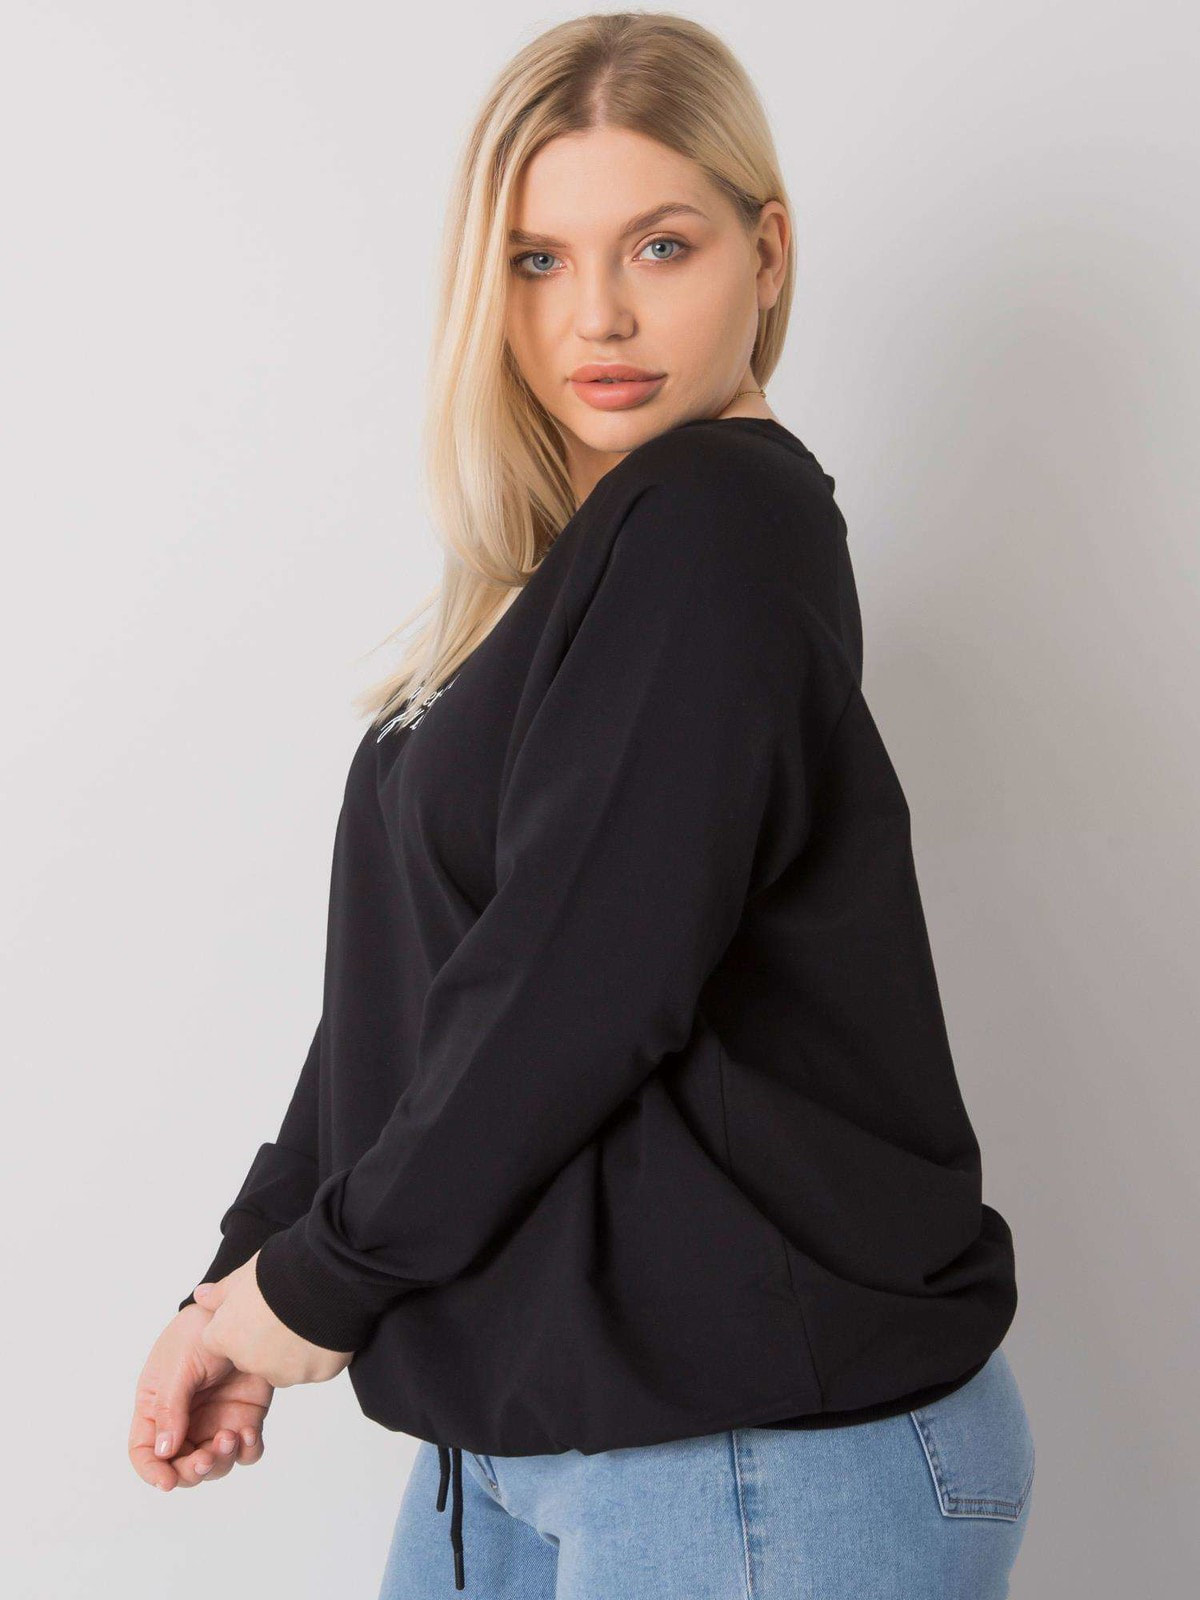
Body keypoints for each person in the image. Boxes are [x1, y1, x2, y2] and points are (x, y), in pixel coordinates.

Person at [129, 13, 1036, 1598]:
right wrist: (246, 1281)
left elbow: (573, 984)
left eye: (660, 247)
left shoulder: (714, 520)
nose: (597, 314)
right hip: (532, 1448)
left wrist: (316, 1286)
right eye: (539, 260)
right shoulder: (568, 572)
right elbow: (427, 989)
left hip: (753, 1457)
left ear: (767, 253)